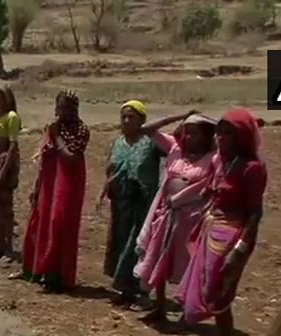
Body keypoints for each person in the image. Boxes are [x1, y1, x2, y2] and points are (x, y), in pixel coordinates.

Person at [175, 108, 266, 336]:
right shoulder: (221, 162)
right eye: (220, 133)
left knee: (220, 289)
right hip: (213, 228)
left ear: (243, 137)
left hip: (234, 236)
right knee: (210, 287)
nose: (222, 138)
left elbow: (255, 212)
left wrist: (240, 250)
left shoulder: (252, 169)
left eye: (229, 134)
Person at [132, 111, 218, 321]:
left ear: (206, 136)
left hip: (193, 219)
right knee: (159, 257)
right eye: (186, 132)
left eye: (195, 133)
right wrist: (181, 116)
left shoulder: (213, 158)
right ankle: (160, 307)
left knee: (190, 265)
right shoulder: (175, 149)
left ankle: (187, 314)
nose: (188, 137)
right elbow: (145, 129)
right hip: (167, 214)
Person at [19, 90, 90, 292]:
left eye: (69, 107)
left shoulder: (81, 130)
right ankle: (35, 269)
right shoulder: (50, 129)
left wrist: (57, 134)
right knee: (39, 223)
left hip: (68, 185)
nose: (64, 111)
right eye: (61, 107)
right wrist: (37, 186)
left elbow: (71, 158)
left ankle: (57, 276)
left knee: (59, 224)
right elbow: (44, 159)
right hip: (49, 184)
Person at [99, 100, 166, 301]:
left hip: (143, 204)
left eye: (132, 117)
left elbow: (177, 149)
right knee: (121, 242)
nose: (127, 121)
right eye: (124, 117)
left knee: (139, 244)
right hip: (121, 203)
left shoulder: (151, 142)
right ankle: (125, 288)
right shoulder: (118, 142)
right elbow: (110, 168)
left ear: (142, 121)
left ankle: (140, 288)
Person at [0, 85, 22, 262]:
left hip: (4, 164)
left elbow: (13, 146)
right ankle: (0, 243)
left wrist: (3, 170)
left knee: (6, 208)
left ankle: (8, 248)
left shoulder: (11, 117)